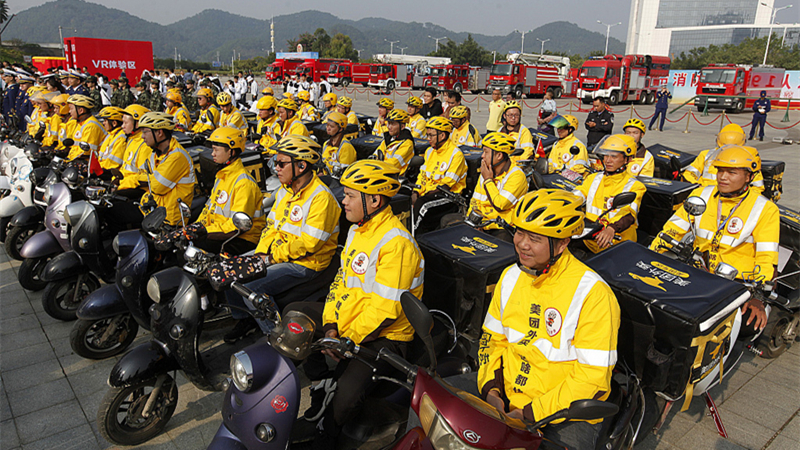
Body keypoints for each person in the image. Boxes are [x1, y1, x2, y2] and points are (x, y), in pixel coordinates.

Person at [283, 159, 424, 450]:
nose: (343, 201)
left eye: (349, 195)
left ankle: (327, 436)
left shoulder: (396, 244)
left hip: (384, 337)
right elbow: (340, 283)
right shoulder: (358, 229)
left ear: (374, 199)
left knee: (345, 397)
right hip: (349, 322)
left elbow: (385, 312)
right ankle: (321, 381)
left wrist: (345, 340)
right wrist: (332, 325)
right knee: (296, 315)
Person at [478, 189, 620, 450]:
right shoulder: (510, 276)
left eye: (534, 238)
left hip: (564, 412)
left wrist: (529, 413)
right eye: (519, 232)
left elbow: (592, 377)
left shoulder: (594, 294)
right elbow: (491, 339)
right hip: (506, 394)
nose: (522, 243)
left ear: (563, 243)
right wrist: (491, 390)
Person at [649, 145, 779, 336]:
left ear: (749, 177)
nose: (723, 177)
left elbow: (767, 255)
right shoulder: (701, 194)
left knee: (745, 325)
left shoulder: (764, 209)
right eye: (720, 170)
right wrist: (651, 256)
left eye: (731, 172)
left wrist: (758, 296)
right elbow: (671, 230)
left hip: (737, 283)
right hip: (697, 272)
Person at [223, 136, 341, 342]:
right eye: (275, 163)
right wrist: (261, 252)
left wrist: (268, 259)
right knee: (228, 268)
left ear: (302, 165)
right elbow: (270, 228)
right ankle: (246, 318)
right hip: (277, 254)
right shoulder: (285, 191)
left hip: (306, 263)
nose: (275, 168)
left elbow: (309, 244)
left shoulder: (322, 198)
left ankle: (277, 338)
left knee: (252, 285)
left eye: (281, 163)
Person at [174, 126, 266, 254]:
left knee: (191, 251)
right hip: (220, 232)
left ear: (231, 152)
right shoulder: (222, 177)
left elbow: (237, 228)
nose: (212, 154)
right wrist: (195, 227)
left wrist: (204, 232)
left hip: (242, 239)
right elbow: (209, 210)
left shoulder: (244, 183)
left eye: (216, 150)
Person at [572, 134, 646, 254]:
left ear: (628, 159)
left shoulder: (635, 186)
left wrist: (612, 229)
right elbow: (577, 194)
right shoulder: (593, 178)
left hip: (617, 244)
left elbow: (630, 214)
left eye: (614, 156)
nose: (608, 160)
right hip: (590, 239)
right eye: (606, 155)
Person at [465, 132, 527, 241]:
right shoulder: (487, 170)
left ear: (499, 155)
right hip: (482, 224)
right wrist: (474, 222)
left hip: (502, 228)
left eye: (486, 152)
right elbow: (475, 201)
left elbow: (500, 204)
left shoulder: (517, 176)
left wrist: (488, 180)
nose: (482, 156)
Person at [412, 117, 467, 235]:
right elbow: (422, 176)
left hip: (449, 197)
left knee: (422, 205)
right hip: (428, 194)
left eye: (431, 135)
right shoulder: (429, 151)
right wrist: (416, 192)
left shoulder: (456, 155)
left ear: (442, 136)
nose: (428, 139)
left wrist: (423, 195)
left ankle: (412, 236)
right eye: (427, 135)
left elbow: (446, 186)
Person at [682, 123, 765, 194]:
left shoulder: (748, 159)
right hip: (704, 195)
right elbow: (689, 173)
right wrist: (698, 187)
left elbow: (757, 188)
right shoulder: (706, 154)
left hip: (732, 199)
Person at [116, 105, 152, 192]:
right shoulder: (132, 139)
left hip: (137, 190)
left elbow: (144, 177)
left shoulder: (145, 145)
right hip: (126, 185)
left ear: (138, 123)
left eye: (125, 123)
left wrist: (122, 184)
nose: (122, 126)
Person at [65, 95, 107, 162]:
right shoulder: (81, 123)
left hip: (88, 164)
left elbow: (87, 152)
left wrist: (69, 160)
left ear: (81, 110)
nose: (69, 111)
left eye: (71, 108)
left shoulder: (91, 126)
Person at [375, 109, 415, 174]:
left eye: (393, 124)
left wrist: (377, 166)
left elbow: (394, 163)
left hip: (395, 176)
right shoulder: (390, 138)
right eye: (389, 123)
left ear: (402, 127)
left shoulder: (407, 143)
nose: (389, 127)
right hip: (382, 170)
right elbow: (376, 153)